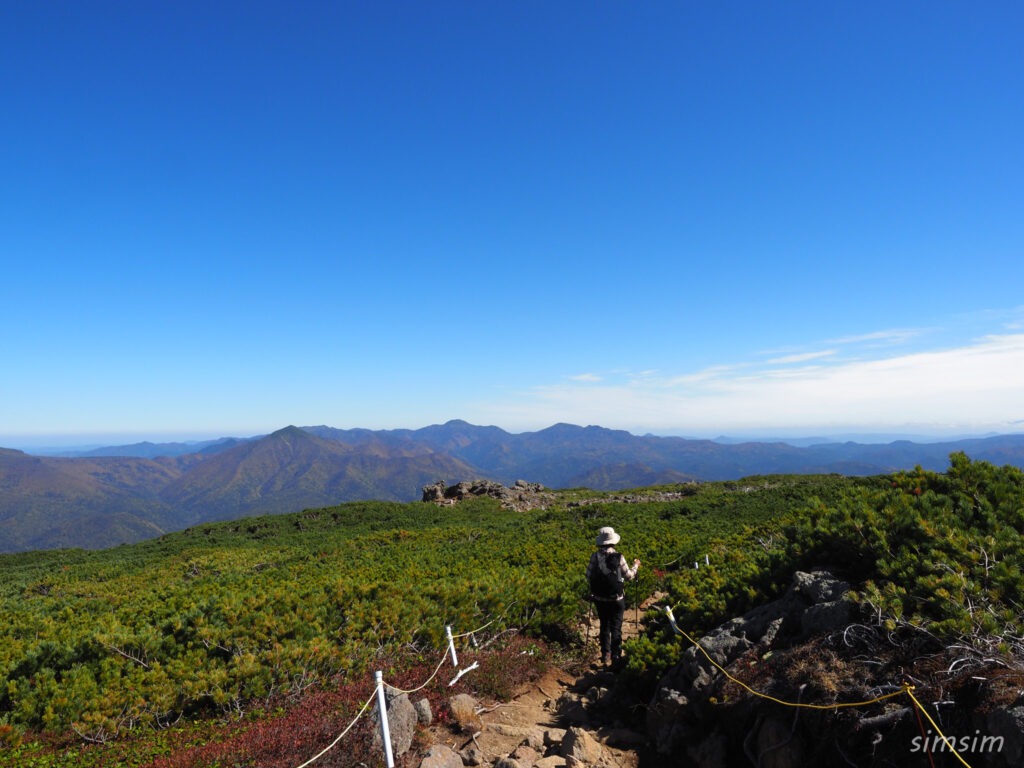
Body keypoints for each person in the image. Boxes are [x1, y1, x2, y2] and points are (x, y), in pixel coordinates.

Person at [586, 526, 640, 666]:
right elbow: (628, 576)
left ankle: (606, 654)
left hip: (599, 598)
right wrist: (636, 566)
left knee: (604, 625)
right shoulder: (618, 557)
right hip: (617, 599)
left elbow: (588, 575)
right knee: (616, 627)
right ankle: (616, 655)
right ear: (613, 541)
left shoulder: (594, 556)